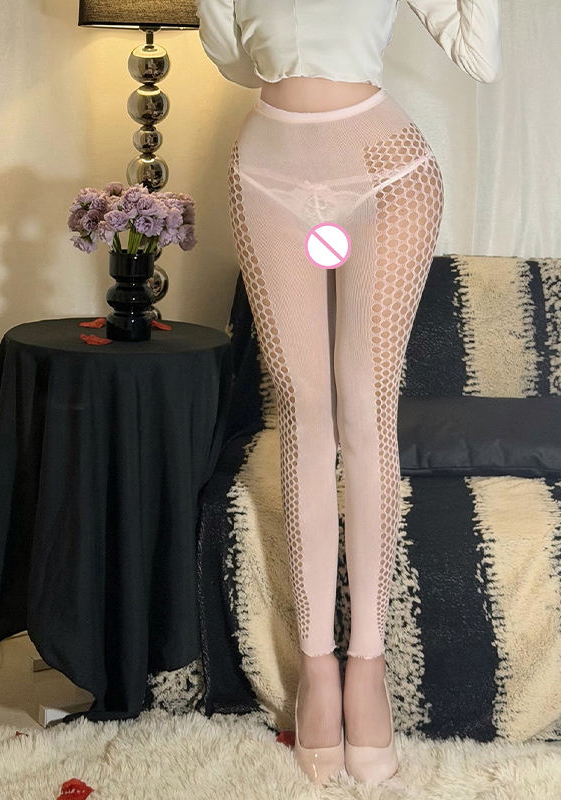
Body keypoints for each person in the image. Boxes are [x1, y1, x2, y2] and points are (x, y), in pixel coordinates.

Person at [194, 0, 503, 786]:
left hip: (385, 173)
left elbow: (479, 54)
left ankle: (368, 664)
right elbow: (234, 61)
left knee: (365, 413)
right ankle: (317, 668)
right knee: (305, 416)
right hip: (267, 175)